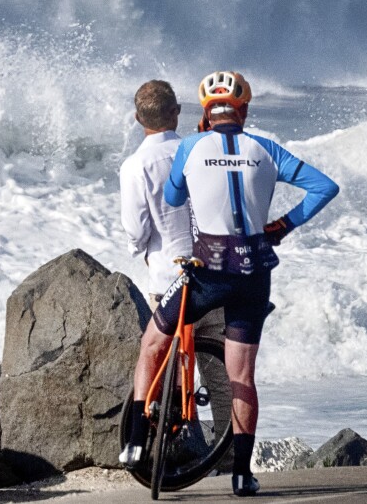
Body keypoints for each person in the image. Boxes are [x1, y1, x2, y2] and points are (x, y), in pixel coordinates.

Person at [120, 71, 339, 497]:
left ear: (204, 112)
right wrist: (280, 226)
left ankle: (133, 441)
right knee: (242, 377)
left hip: (208, 274)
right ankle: (242, 474)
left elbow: (172, 199)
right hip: (254, 275)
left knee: (152, 345)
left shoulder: (191, 147)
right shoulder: (265, 148)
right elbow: (324, 188)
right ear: (245, 110)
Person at [119, 80, 194, 301]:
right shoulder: (202, 152)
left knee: (161, 338)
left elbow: (136, 231)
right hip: (216, 282)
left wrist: (139, 249)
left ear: (138, 118)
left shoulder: (135, 166)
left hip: (168, 282)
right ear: (176, 112)